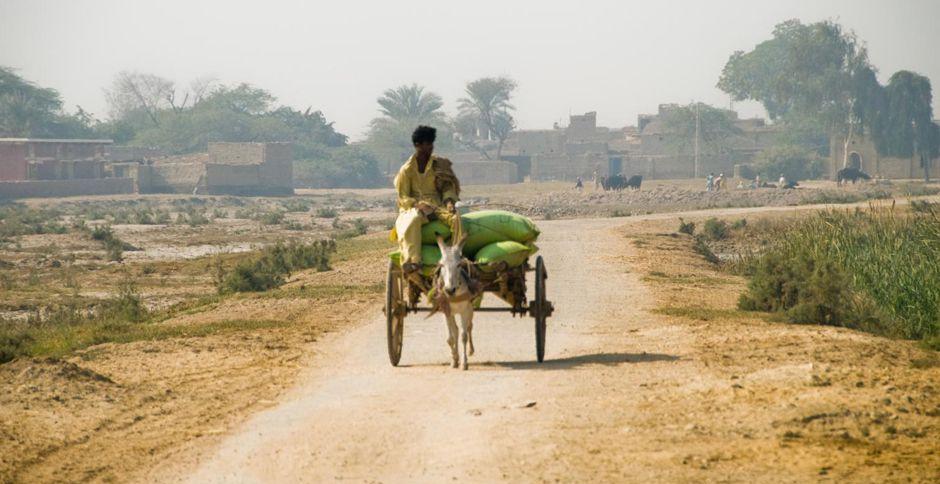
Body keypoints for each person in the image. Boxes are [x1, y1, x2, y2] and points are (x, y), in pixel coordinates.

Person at [391, 125, 462, 275]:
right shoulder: (406, 170)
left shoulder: (439, 165)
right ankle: (413, 261)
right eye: (426, 144)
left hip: (437, 206)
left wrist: (449, 201)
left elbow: (447, 187)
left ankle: (455, 258)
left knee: (456, 220)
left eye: (431, 144)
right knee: (414, 219)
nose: (430, 148)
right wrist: (417, 205)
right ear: (417, 145)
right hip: (414, 208)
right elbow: (402, 197)